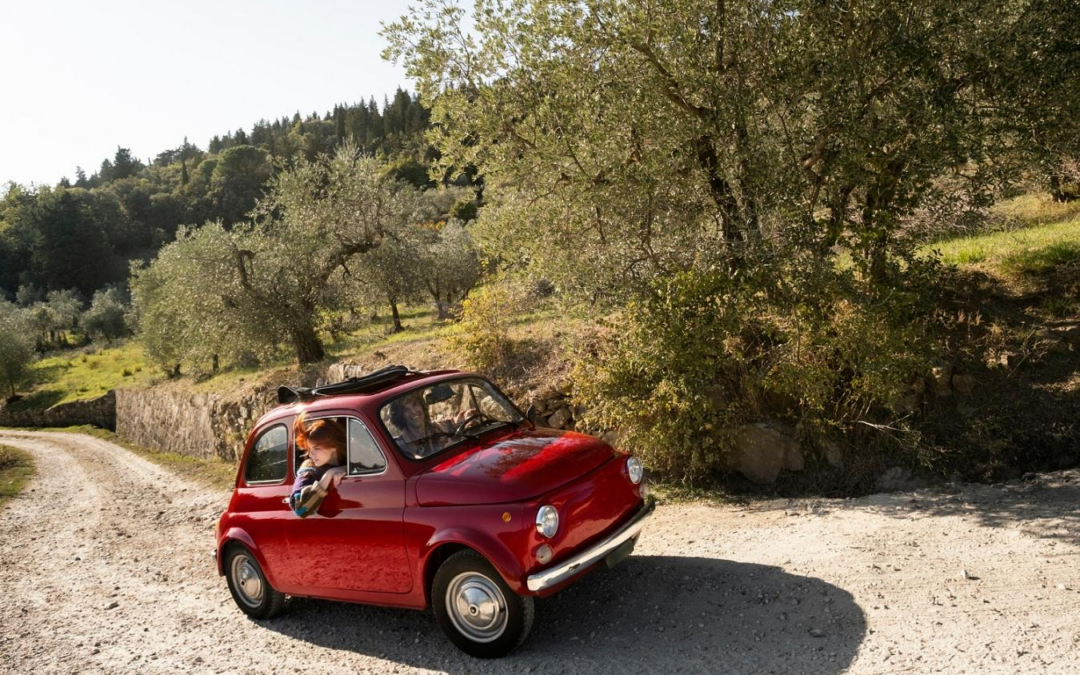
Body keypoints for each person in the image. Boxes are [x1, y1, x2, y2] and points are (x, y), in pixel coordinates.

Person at [289, 414, 347, 518]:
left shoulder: (348, 459)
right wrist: (329, 474)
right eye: (310, 449)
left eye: (316, 448)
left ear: (333, 446)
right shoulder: (308, 473)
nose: (310, 455)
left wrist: (346, 468)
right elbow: (301, 510)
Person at [388, 392, 478, 456]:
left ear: (422, 406)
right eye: (406, 409)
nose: (413, 412)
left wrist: (468, 418)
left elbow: (460, 419)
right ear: (400, 416)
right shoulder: (400, 447)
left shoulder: (438, 427)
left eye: (415, 404)